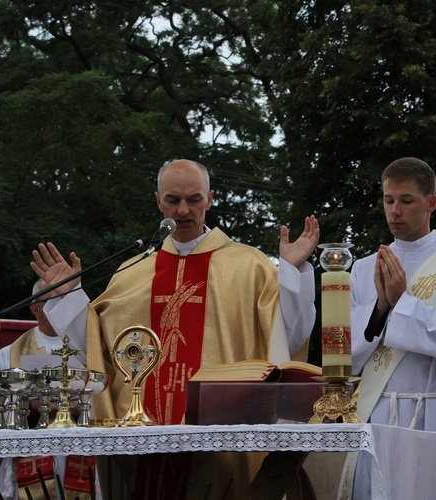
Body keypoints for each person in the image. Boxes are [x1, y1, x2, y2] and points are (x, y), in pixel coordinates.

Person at [31, 159, 319, 498]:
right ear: (158, 201)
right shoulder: (132, 271)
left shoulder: (250, 266)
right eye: (172, 200)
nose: (183, 210)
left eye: (194, 199)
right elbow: (100, 346)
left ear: (210, 199)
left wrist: (292, 274)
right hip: (142, 439)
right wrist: (70, 297)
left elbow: (287, 335)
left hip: (223, 435)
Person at [343, 157, 436, 500]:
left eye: (406, 200)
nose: (395, 210)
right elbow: (344, 354)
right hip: (376, 412)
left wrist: (403, 303)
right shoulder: (365, 268)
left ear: (431, 203)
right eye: (388, 200)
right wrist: (381, 307)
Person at [0, 279, 95, 500]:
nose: (58, 308)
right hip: (30, 445)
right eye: (50, 301)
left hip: (78, 446)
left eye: (61, 300)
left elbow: (103, 392)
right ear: (34, 308)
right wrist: (31, 405)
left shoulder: (89, 350)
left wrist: (82, 406)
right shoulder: (8, 355)